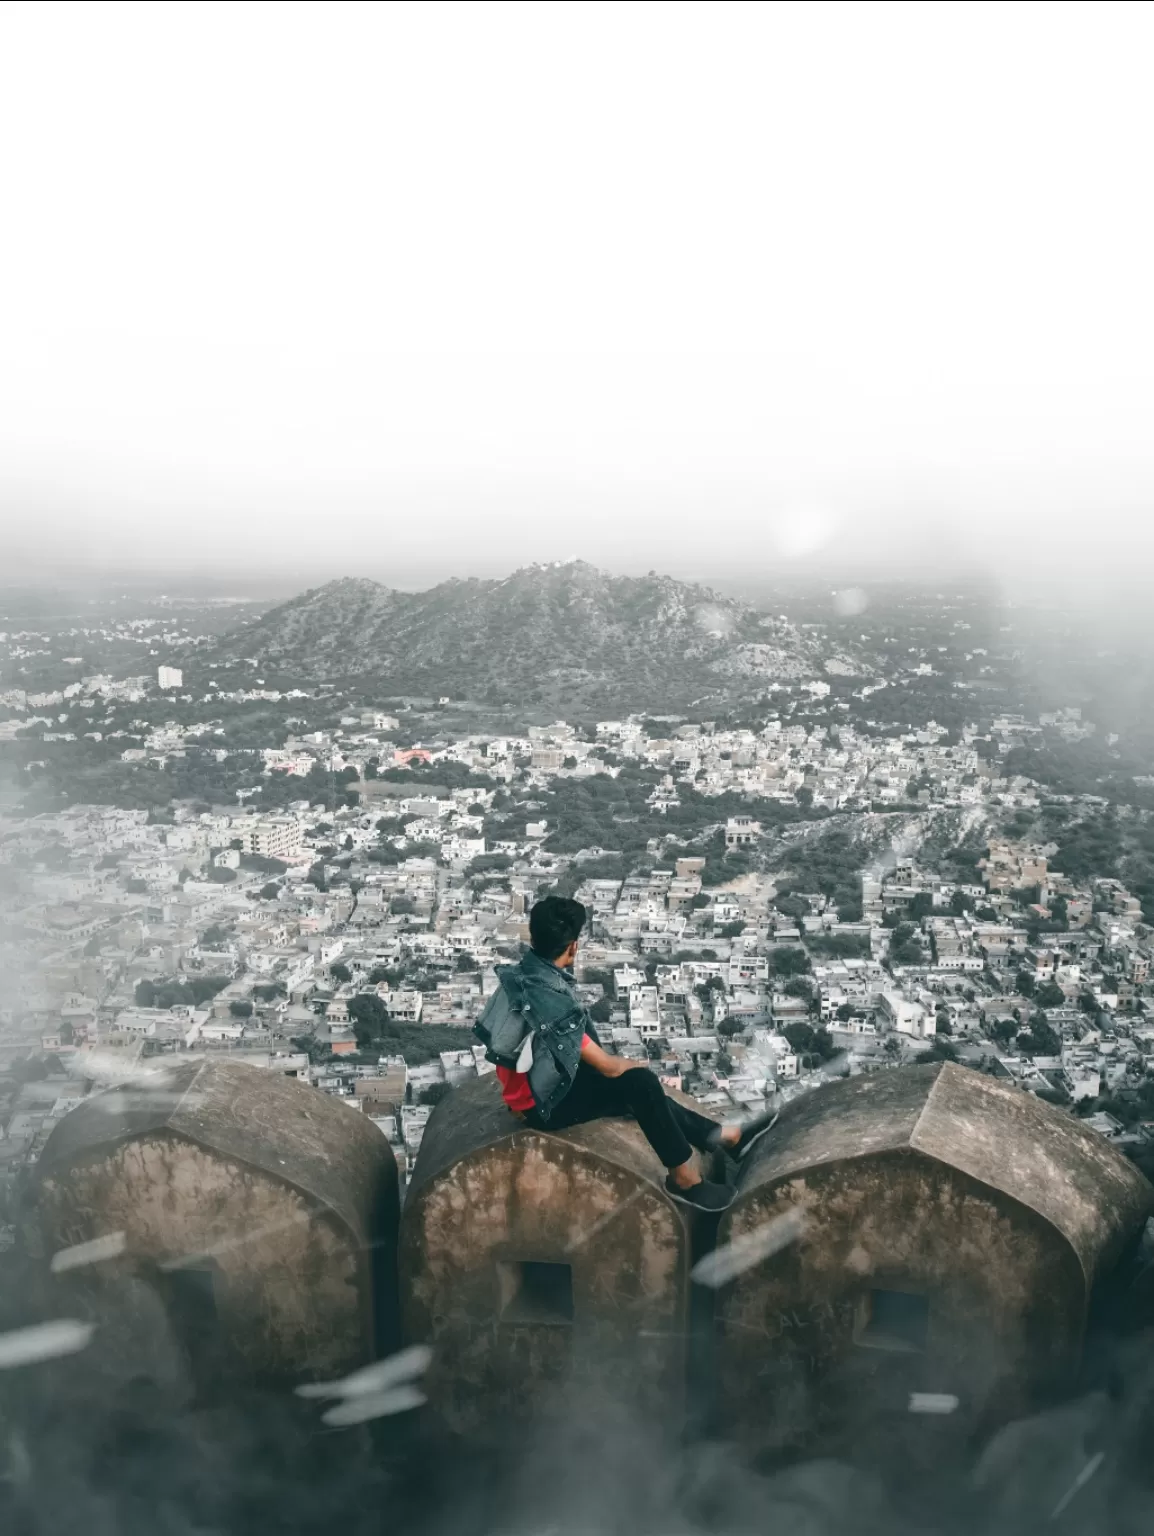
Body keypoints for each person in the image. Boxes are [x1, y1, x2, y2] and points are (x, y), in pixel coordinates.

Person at [485, 894, 776, 1212]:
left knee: (636, 1091)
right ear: (573, 947)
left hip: (531, 1088)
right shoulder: (553, 1001)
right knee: (640, 1084)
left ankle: (725, 1136)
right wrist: (635, 1066)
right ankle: (684, 1180)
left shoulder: (518, 976)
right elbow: (608, 1067)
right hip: (543, 1107)